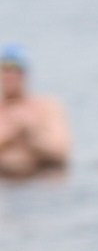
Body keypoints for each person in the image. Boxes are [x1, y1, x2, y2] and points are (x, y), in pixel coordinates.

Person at [0, 47, 70, 179]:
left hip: (38, 181)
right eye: (6, 70)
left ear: (25, 74)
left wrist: (30, 133)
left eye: (16, 70)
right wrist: (9, 135)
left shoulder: (46, 107)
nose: (10, 76)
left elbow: (61, 154)